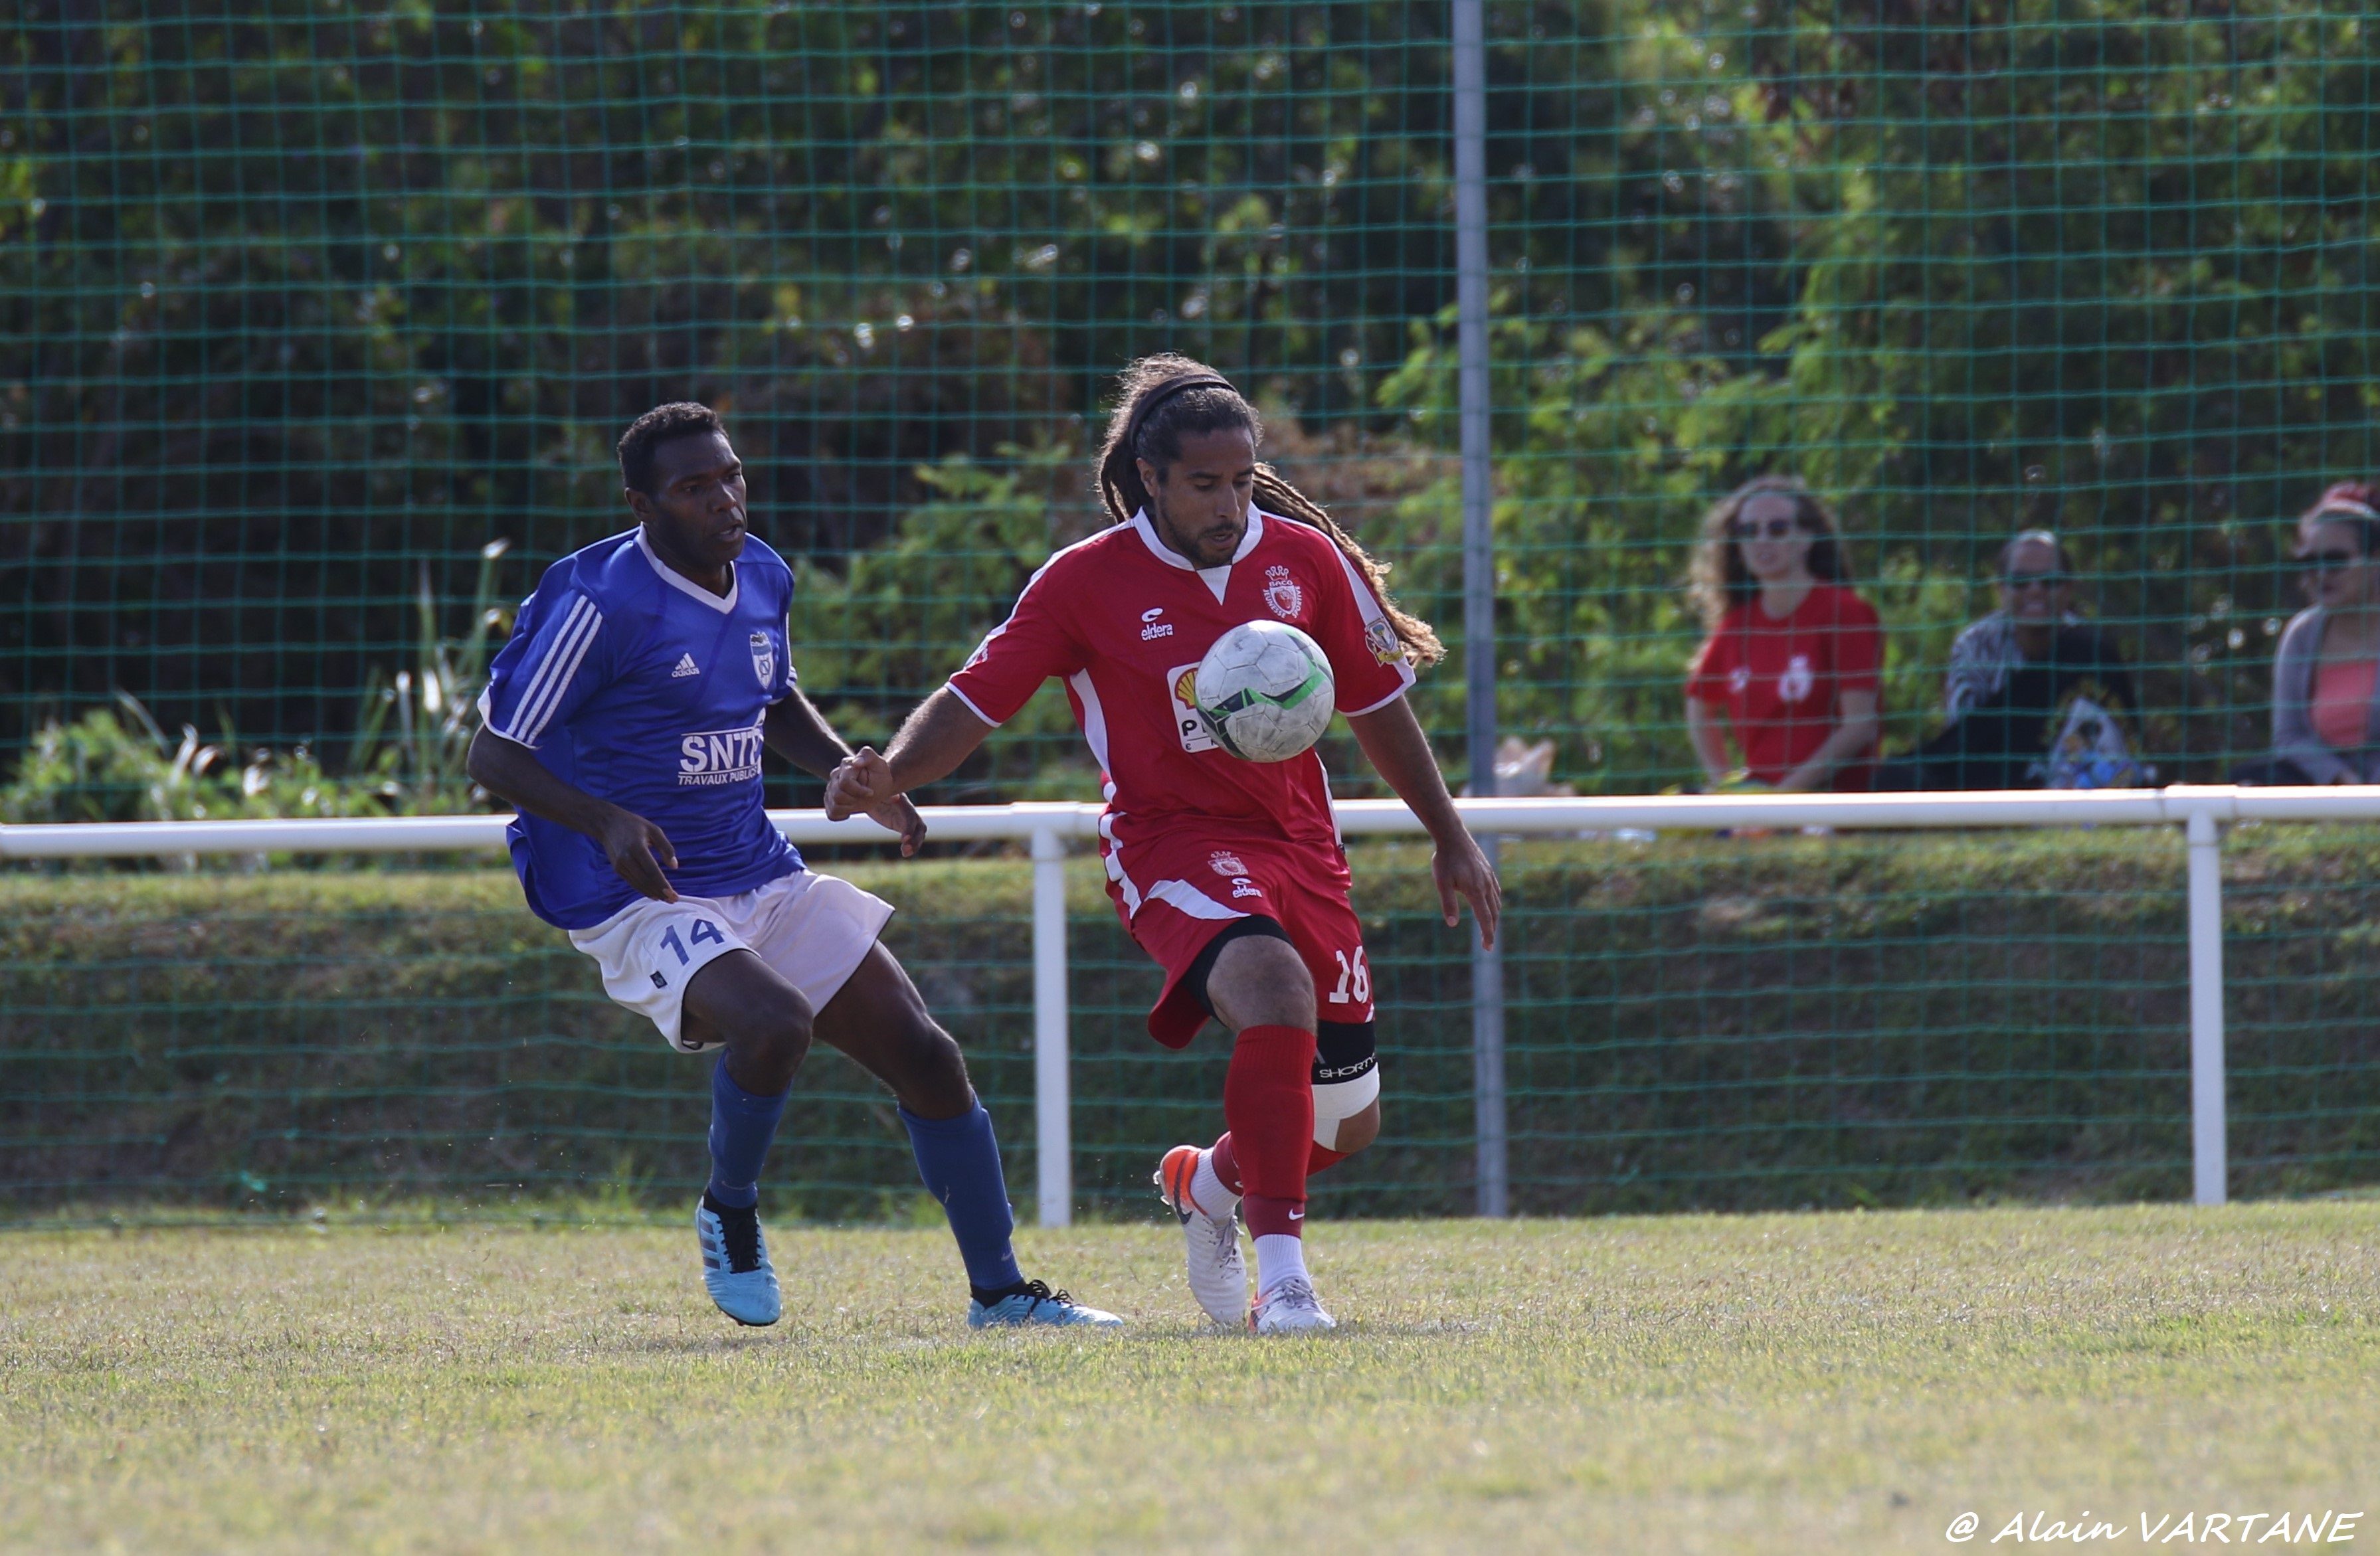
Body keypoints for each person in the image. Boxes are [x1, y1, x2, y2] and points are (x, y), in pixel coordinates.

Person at [822, 356, 1501, 1334]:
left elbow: (1376, 703)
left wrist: (1449, 833)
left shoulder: (1306, 561)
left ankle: (1210, 1183)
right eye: (1202, 483)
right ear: (1149, 476)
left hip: (1301, 846)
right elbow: (975, 700)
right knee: (1271, 986)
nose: (1228, 503)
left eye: (1240, 479)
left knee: (1345, 1121)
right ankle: (1285, 1281)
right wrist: (890, 769)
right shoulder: (1082, 583)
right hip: (1169, 843)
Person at [464, 402, 1118, 1331]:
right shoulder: (595, 598)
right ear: (640, 503)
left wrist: (852, 771)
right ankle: (728, 1207)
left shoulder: (763, 572)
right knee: (773, 1024)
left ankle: (1001, 1293)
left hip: (756, 868)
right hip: (631, 889)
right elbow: (493, 755)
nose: (723, 498)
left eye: (728, 475)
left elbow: (769, 696)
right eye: (692, 487)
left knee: (929, 1058)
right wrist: (604, 819)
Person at [1875, 531, 2142, 791]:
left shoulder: (2090, 652)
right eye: (2021, 581)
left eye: (2049, 581)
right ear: (2000, 589)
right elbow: (1966, 739)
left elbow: (2116, 742)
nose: (2036, 591)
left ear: (2069, 588)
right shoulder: (1975, 646)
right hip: (1990, 780)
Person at [1683, 476, 1883, 792]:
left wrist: (1783, 798)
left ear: (1806, 539)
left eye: (1777, 529)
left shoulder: (1845, 613)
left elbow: (1860, 726)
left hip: (1834, 803)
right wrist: (1727, 789)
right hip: (1763, 804)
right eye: (1749, 531)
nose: (1763, 540)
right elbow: (1698, 706)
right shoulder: (1736, 625)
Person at [2239, 482, 2380, 786]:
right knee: (2251, 779)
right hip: (2325, 787)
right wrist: (2340, 780)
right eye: (2308, 563)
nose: (2320, 574)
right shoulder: (2301, 635)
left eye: (2335, 560)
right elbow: (2289, 737)